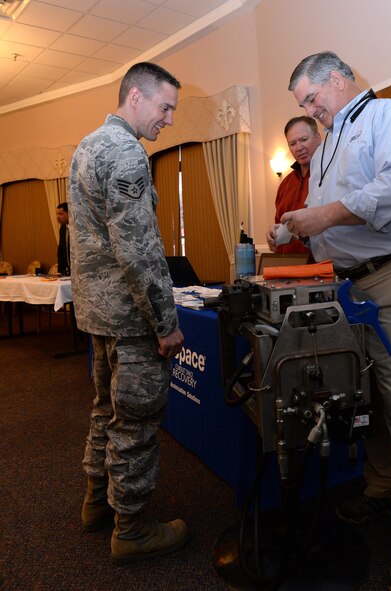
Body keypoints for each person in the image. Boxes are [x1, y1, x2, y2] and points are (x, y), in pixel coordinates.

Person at [269, 51, 391, 591]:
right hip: (350, 287)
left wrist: (321, 214)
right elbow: (332, 225)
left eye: (311, 98)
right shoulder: (326, 149)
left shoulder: (390, 118)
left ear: (339, 79)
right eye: (303, 104)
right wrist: (297, 231)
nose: (310, 110)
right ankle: (379, 486)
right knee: (367, 394)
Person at [68, 62, 189, 566]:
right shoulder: (125, 153)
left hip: (97, 315)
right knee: (135, 423)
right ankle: (132, 527)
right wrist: (166, 323)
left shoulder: (86, 147)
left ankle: (97, 503)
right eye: (165, 107)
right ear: (135, 97)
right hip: (132, 320)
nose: (168, 120)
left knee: (105, 410)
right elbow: (139, 251)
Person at [266, 116, 321, 254]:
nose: (299, 147)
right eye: (293, 143)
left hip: (322, 267)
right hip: (287, 267)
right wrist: (273, 235)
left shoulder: (332, 174)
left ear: (318, 138)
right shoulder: (285, 184)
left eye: (304, 140)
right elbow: (280, 224)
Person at [56, 202, 70, 275]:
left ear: (69, 213)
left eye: (61, 214)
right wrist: (61, 269)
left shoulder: (77, 229)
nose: (58, 217)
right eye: (57, 214)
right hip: (66, 271)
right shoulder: (62, 228)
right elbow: (61, 249)